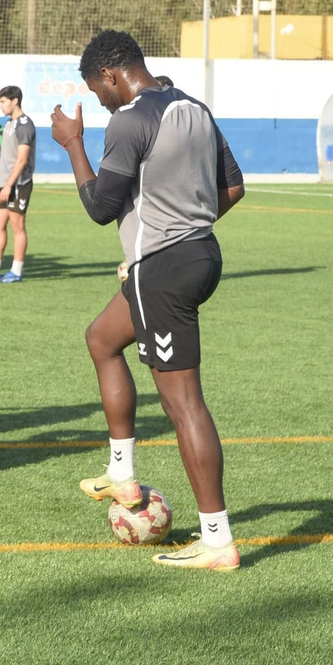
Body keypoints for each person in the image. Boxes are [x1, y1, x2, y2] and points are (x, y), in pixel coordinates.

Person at [50, 29, 245, 571]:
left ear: (112, 76)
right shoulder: (194, 107)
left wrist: (71, 143)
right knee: (101, 338)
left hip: (163, 271)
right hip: (198, 256)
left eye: (97, 90)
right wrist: (183, 232)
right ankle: (121, 472)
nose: (98, 100)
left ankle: (216, 540)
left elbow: (99, 205)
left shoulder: (130, 119)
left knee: (183, 406)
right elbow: (233, 186)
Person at [0, 86, 36, 283]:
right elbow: (7, 156)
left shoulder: (24, 125)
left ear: (14, 101)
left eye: (3, 101)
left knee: (17, 226)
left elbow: (22, 160)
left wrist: (9, 185)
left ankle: (16, 271)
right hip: (5, 182)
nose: (0, 106)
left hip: (19, 183)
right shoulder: (9, 124)